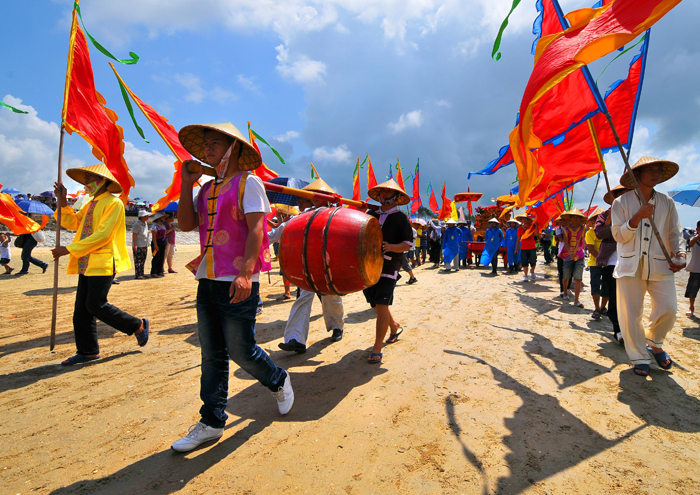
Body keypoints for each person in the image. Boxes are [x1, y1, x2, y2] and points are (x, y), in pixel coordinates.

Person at [172, 121, 292, 452]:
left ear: (233, 148)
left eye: (214, 144)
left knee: (241, 349)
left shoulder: (248, 182)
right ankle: (211, 420)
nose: (207, 149)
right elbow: (185, 224)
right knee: (212, 354)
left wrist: (246, 273)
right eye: (205, 144)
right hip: (207, 279)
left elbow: (257, 229)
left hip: (238, 279)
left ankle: (277, 379)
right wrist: (186, 185)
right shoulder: (206, 188)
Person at [52, 164, 149, 366]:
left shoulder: (114, 203)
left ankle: (137, 325)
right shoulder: (90, 204)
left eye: (90, 178)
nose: (86, 182)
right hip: (87, 262)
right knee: (81, 310)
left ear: (103, 180)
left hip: (104, 260)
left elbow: (104, 235)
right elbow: (72, 222)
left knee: (95, 304)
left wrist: (70, 249)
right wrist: (62, 201)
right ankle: (88, 351)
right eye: (85, 179)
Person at [611, 156, 686, 377]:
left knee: (669, 308)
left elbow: (675, 233)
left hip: (661, 264)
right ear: (637, 174)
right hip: (629, 266)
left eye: (658, 171)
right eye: (651, 170)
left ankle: (654, 341)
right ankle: (639, 356)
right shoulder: (621, 203)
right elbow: (618, 235)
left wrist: (680, 252)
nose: (655, 174)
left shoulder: (667, 202)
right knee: (631, 313)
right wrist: (636, 218)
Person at [277, 179, 346, 353]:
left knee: (331, 297)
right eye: (310, 195)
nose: (312, 198)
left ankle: (337, 326)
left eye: (318, 194)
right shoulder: (302, 215)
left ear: (328, 197)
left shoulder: (336, 213)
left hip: (328, 264)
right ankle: (296, 339)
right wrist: (260, 238)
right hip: (307, 265)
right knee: (303, 298)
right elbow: (283, 230)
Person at [363, 179, 413, 364]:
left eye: (388, 192)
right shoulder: (369, 214)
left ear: (397, 197)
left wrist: (391, 246)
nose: (383, 195)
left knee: (382, 305)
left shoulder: (401, 218)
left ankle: (377, 348)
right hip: (367, 265)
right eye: (382, 192)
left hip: (389, 267)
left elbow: (407, 244)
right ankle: (394, 326)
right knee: (374, 304)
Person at [595, 185, 630, 345]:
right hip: (612, 262)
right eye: (620, 196)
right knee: (615, 298)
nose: (624, 198)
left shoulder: (636, 214)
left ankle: (630, 329)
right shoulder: (604, 215)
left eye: (627, 195)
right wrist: (611, 216)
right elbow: (600, 233)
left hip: (632, 262)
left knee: (631, 299)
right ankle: (618, 329)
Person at [560, 209, 587, 307]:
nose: (575, 219)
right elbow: (566, 242)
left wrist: (578, 249)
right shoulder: (566, 229)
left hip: (579, 255)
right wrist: (570, 252)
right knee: (566, 276)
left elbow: (584, 241)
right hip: (568, 255)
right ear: (570, 219)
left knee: (578, 278)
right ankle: (565, 292)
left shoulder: (584, 228)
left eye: (577, 217)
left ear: (580, 219)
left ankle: (576, 300)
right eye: (573, 217)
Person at [586, 208, 606, 319]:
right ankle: (597, 308)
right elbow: (591, 249)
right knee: (595, 284)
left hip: (609, 263)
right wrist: (602, 259)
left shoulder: (610, 232)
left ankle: (603, 307)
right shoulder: (590, 233)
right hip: (595, 262)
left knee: (607, 285)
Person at [516, 214, 539, 282]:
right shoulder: (520, 229)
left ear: (529, 220)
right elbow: (518, 238)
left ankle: (532, 271)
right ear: (521, 220)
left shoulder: (532, 227)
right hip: (523, 248)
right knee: (524, 262)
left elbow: (537, 234)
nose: (525, 220)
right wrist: (516, 248)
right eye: (523, 219)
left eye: (526, 219)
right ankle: (526, 276)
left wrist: (536, 225)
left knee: (533, 261)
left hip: (532, 247)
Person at [685, 221, 700, 317]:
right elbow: (690, 244)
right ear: (697, 230)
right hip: (695, 269)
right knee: (692, 290)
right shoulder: (694, 239)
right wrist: (699, 236)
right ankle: (691, 307)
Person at [131, 210, 150, 279]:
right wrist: (135, 245)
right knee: (138, 260)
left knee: (143, 259)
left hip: (144, 244)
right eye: (146, 216)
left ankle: (142, 273)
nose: (147, 217)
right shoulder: (137, 224)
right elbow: (134, 235)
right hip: (139, 244)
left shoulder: (145, 223)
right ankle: (138, 274)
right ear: (142, 217)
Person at [149, 212, 167, 278]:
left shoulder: (163, 225)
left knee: (161, 257)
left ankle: (159, 271)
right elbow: (154, 235)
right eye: (163, 217)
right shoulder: (155, 225)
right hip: (157, 243)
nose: (164, 218)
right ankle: (153, 272)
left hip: (162, 243)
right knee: (156, 257)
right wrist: (155, 245)